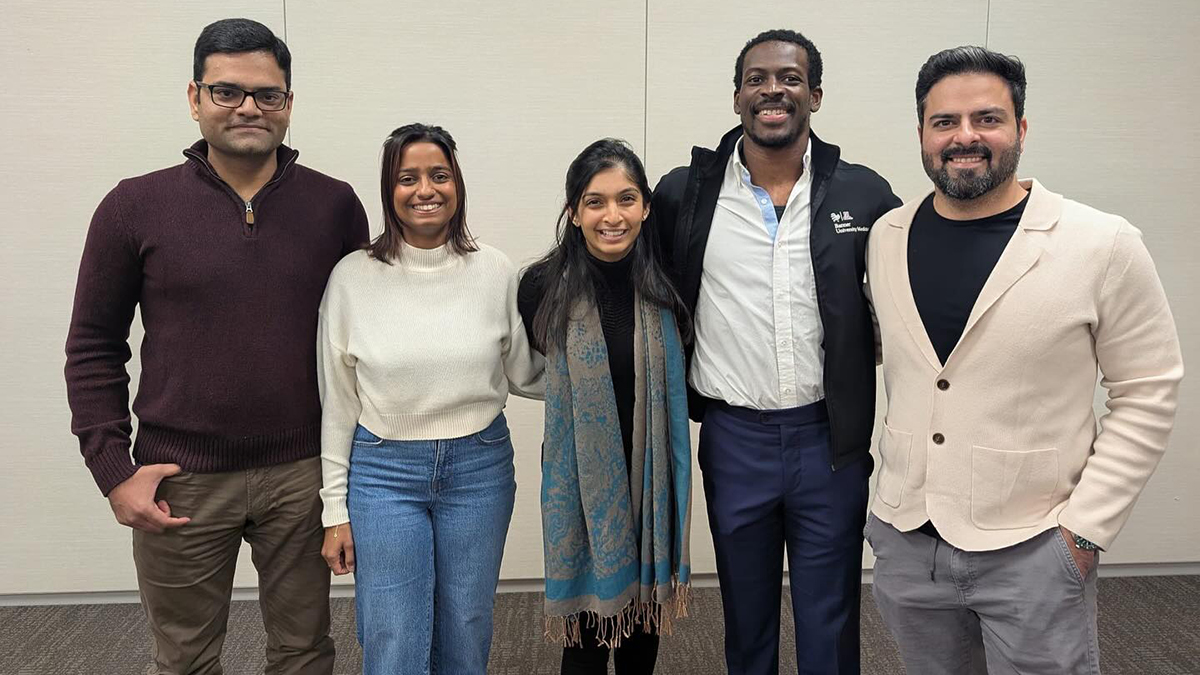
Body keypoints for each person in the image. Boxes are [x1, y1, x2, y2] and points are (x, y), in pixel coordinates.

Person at [864, 45, 1184, 674]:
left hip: (1035, 545)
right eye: (944, 122)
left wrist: (1084, 532)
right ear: (922, 132)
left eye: (987, 118)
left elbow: (1148, 391)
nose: (965, 137)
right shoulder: (887, 236)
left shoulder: (1102, 243)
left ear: (1021, 128)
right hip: (909, 541)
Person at [63, 18, 368, 675]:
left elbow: (360, 346)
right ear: (195, 97)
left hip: (301, 475)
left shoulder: (335, 206)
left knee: (305, 653)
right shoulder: (133, 206)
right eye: (228, 91)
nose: (249, 107)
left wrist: (354, 477)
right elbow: (93, 343)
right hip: (180, 479)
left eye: (268, 94)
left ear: (289, 104)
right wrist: (113, 470)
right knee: (184, 659)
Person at [651, 28, 901, 675]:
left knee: (831, 618)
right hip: (736, 440)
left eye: (789, 78)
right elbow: (637, 286)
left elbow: (911, 296)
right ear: (737, 96)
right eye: (757, 78)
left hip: (829, 441)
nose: (773, 90)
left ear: (814, 95)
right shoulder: (687, 193)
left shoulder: (863, 194)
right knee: (747, 618)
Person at [317, 123, 544, 675]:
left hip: (479, 466)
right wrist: (334, 509)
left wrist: (603, 358)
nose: (425, 190)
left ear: (457, 185)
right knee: (394, 631)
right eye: (408, 178)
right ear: (388, 190)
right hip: (383, 471)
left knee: (466, 625)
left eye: (439, 175)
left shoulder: (494, 269)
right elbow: (338, 404)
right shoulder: (352, 278)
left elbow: (526, 374)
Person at [518, 139, 694, 675]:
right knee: (586, 645)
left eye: (626, 199)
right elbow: (530, 375)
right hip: (582, 489)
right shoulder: (540, 286)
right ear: (573, 212)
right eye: (595, 202)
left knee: (643, 636)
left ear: (644, 207)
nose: (612, 216)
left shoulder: (670, 284)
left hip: (651, 483)